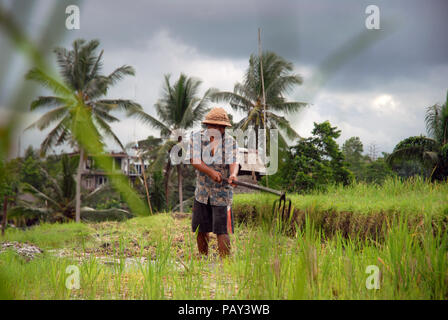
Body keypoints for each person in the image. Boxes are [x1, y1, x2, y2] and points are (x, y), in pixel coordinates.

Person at [188, 107, 239, 258]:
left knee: (222, 230)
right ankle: (203, 259)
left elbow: (234, 162)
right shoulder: (196, 138)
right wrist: (210, 172)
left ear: (224, 128)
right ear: (207, 125)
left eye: (221, 127)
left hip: (223, 193)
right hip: (202, 193)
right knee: (201, 228)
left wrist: (234, 175)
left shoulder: (230, 142)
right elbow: (195, 161)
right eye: (214, 126)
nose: (217, 129)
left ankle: (225, 264)